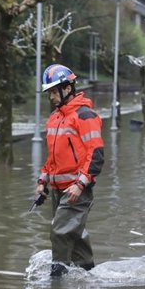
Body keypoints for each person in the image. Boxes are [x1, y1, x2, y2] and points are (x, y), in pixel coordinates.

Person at [36, 64, 104, 277]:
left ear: (68, 88)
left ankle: (57, 282)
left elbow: (96, 154)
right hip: (58, 189)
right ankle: (88, 277)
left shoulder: (85, 115)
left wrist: (80, 184)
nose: (51, 97)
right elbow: (53, 155)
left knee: (60, 231)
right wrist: (42, 180)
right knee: (75, 235)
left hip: (76, 190)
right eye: (50, 93)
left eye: (55, 92)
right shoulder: (55, 118)